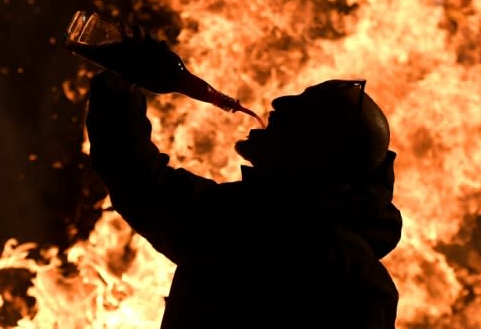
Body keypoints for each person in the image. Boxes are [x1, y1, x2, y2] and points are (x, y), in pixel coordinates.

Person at [86, 72, 402, 329]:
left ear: (318, 154)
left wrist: (120, 85)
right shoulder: (369, 286)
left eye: (303, 109)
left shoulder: (254, 226)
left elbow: (141, 184)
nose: (280, 103)